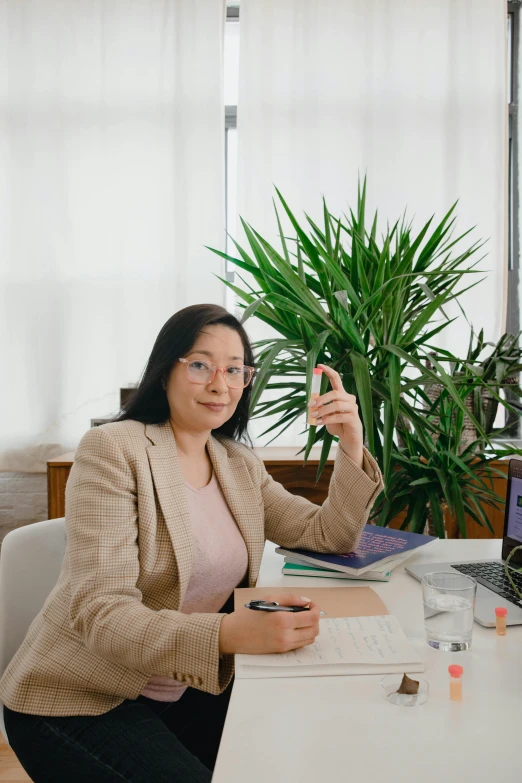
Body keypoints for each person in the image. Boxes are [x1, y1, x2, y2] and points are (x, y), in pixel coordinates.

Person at [0, 303, 383, 782]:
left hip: (181, 684)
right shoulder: (114, 450)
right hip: (82, 697)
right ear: (165, 372)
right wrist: (229, 634)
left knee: (300, 748)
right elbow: (102, 613)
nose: (220, 384)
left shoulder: (237, 463)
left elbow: (330, 535)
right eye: (201, 364)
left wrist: (350, 441)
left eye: (235, 370)